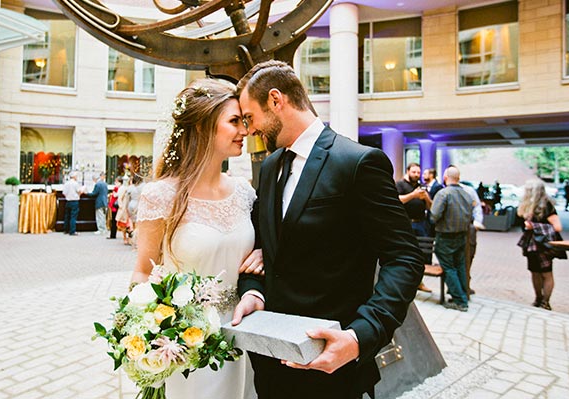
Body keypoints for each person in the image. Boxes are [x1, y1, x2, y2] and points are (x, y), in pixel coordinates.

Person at [233, 60, 424, 399]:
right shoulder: (271, 165)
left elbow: (404, 257)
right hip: (270, 365)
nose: (248, 130)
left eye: (250, 118)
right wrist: (253, 290)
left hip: (332, 370)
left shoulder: (358, 162)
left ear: (276, 100)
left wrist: (360, 335)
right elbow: (263, 241)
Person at [130, 79, 259, 399]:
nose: (244, 130)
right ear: (202, 127)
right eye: (234, 121)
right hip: (188, 345)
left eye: (244, 121)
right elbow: (143, 273)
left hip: (246, 333)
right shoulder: (161, 196)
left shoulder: (244, 191)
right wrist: (147, 331)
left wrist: (264, 256)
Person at [430, 166, 475, 312]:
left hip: (445, 236)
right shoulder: (467, 194)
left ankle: (460, 301)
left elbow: (434, 215)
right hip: (462, 235)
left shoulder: (443, 194)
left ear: (445, 177)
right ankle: (464, 294)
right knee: (460, 265)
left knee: (448, 267)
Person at [517, 179, 565, 311]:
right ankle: (539, 299)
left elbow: (558, 227)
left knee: (546, 273)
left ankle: (545, 301)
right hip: (533, 244)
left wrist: (534, 226)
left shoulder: (546, 206)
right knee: (535, 271)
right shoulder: (528, 206)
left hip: (543, 245)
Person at [397, 163, 433, 293]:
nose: (417, 175)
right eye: (414, 172)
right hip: (406, 224)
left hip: (421, 223)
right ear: (408, 171)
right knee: (407, 253)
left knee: (421, 254)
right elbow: (397, 200)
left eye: (418, 172)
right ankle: (405, 282)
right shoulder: (400, 184)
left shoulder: (421, 186)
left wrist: (427, 198)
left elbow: (431, 207)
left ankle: (419, 282)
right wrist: (413, 195)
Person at [124, 174, 144, 245]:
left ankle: (133, 239)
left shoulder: (130, 187)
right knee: (139, 224)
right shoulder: (143, 186)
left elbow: (127, 198)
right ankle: (137, 240)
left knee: (133, 223)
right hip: (139, 205)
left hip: (131, 205)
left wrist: (126, 207)